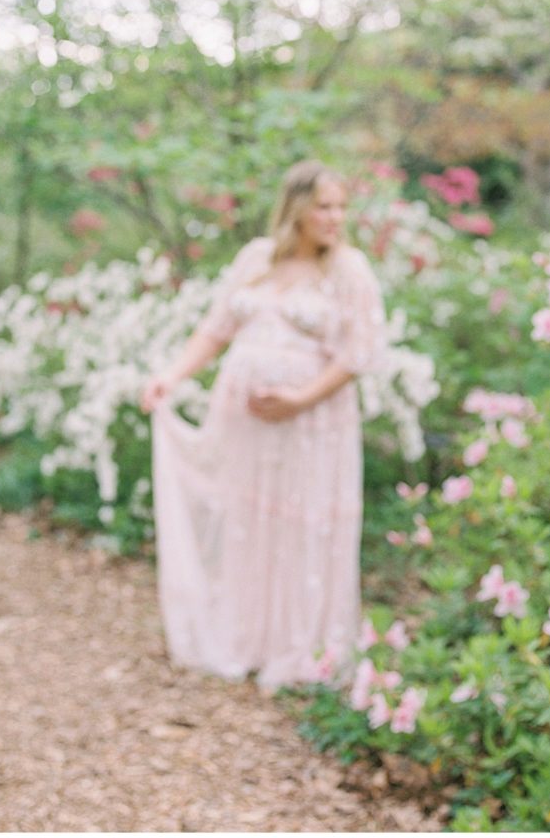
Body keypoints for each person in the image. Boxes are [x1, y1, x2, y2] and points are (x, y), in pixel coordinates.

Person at [140, 160, 388, 693]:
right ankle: (248, 638)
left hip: (312, 427)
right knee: (248, 522)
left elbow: (356, 355)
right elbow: (215, 330)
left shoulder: (348, 270)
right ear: (296, 206)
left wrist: (299, 397)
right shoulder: (256, 259)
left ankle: (300, 650)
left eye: (341, 206)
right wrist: (172, 377)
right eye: (324, 205)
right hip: (246, 427)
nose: (335, 217)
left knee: (302, 524)